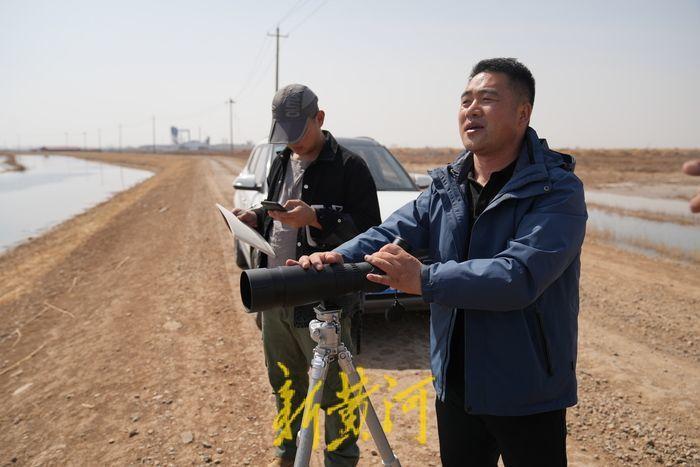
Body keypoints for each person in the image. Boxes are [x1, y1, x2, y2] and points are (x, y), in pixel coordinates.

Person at [289, 59, 588, 466]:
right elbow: (393, 229)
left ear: (523, 113)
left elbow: (517, 276)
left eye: (487, 99)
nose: (471, 109)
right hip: (457, 386)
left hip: (527, 389)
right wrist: (340, 254)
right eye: (466, 100)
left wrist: (424, 279)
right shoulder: (448, 187)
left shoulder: (556, 190)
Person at [233, 83, 381, 467]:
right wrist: (257, 216)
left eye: (299, 133)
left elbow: (370, 232)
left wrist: (316, 216)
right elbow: (277, 211)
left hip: (322, 306)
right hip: (275, 298)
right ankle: (287, 456)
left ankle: (340, 460)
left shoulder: (351, 168)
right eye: (286, 135)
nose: (293, 143)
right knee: (284, 387)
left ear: (320, 118)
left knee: (335, 396)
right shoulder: (282, 160)